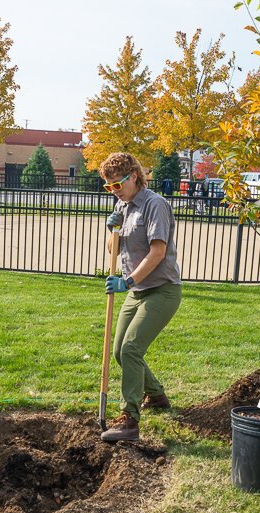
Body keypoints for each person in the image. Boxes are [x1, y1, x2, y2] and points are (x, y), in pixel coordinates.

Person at [99, 152, 183, 442]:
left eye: (117, 184)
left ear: (133, 176)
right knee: (120, 352)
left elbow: (157, 253)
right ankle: (157, 395)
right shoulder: (122, 205)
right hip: (136, 291)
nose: (114, 191)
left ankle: (130, 421)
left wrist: (128, 281)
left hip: (162, 290)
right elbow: (114, 250)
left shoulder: (154, 205)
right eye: (108, 187)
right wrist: (113, 229)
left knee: (132, 349)